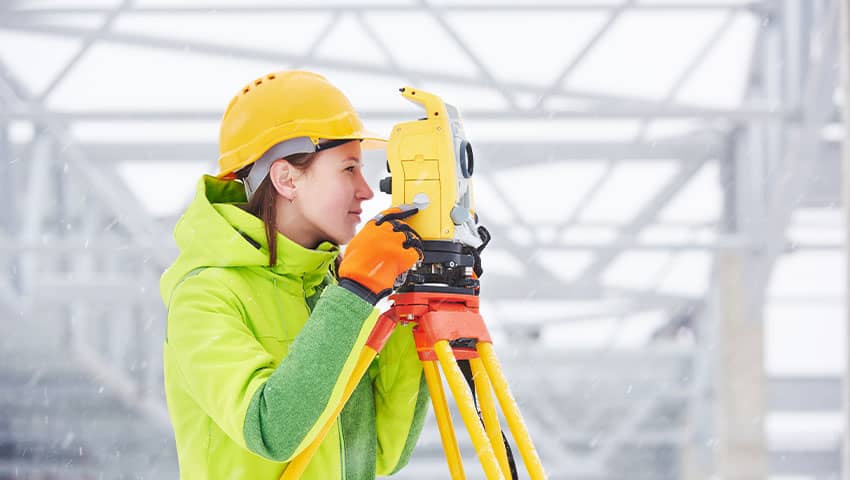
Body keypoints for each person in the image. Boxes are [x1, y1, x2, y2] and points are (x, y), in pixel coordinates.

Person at [159, 70, 429, 479]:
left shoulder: (329, 291)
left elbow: (379, 455)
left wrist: (417, 300)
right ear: (286, 178)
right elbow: (272, 431)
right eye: (348, 169)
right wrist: (356, 292)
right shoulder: (204, 297)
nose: (367, 190)